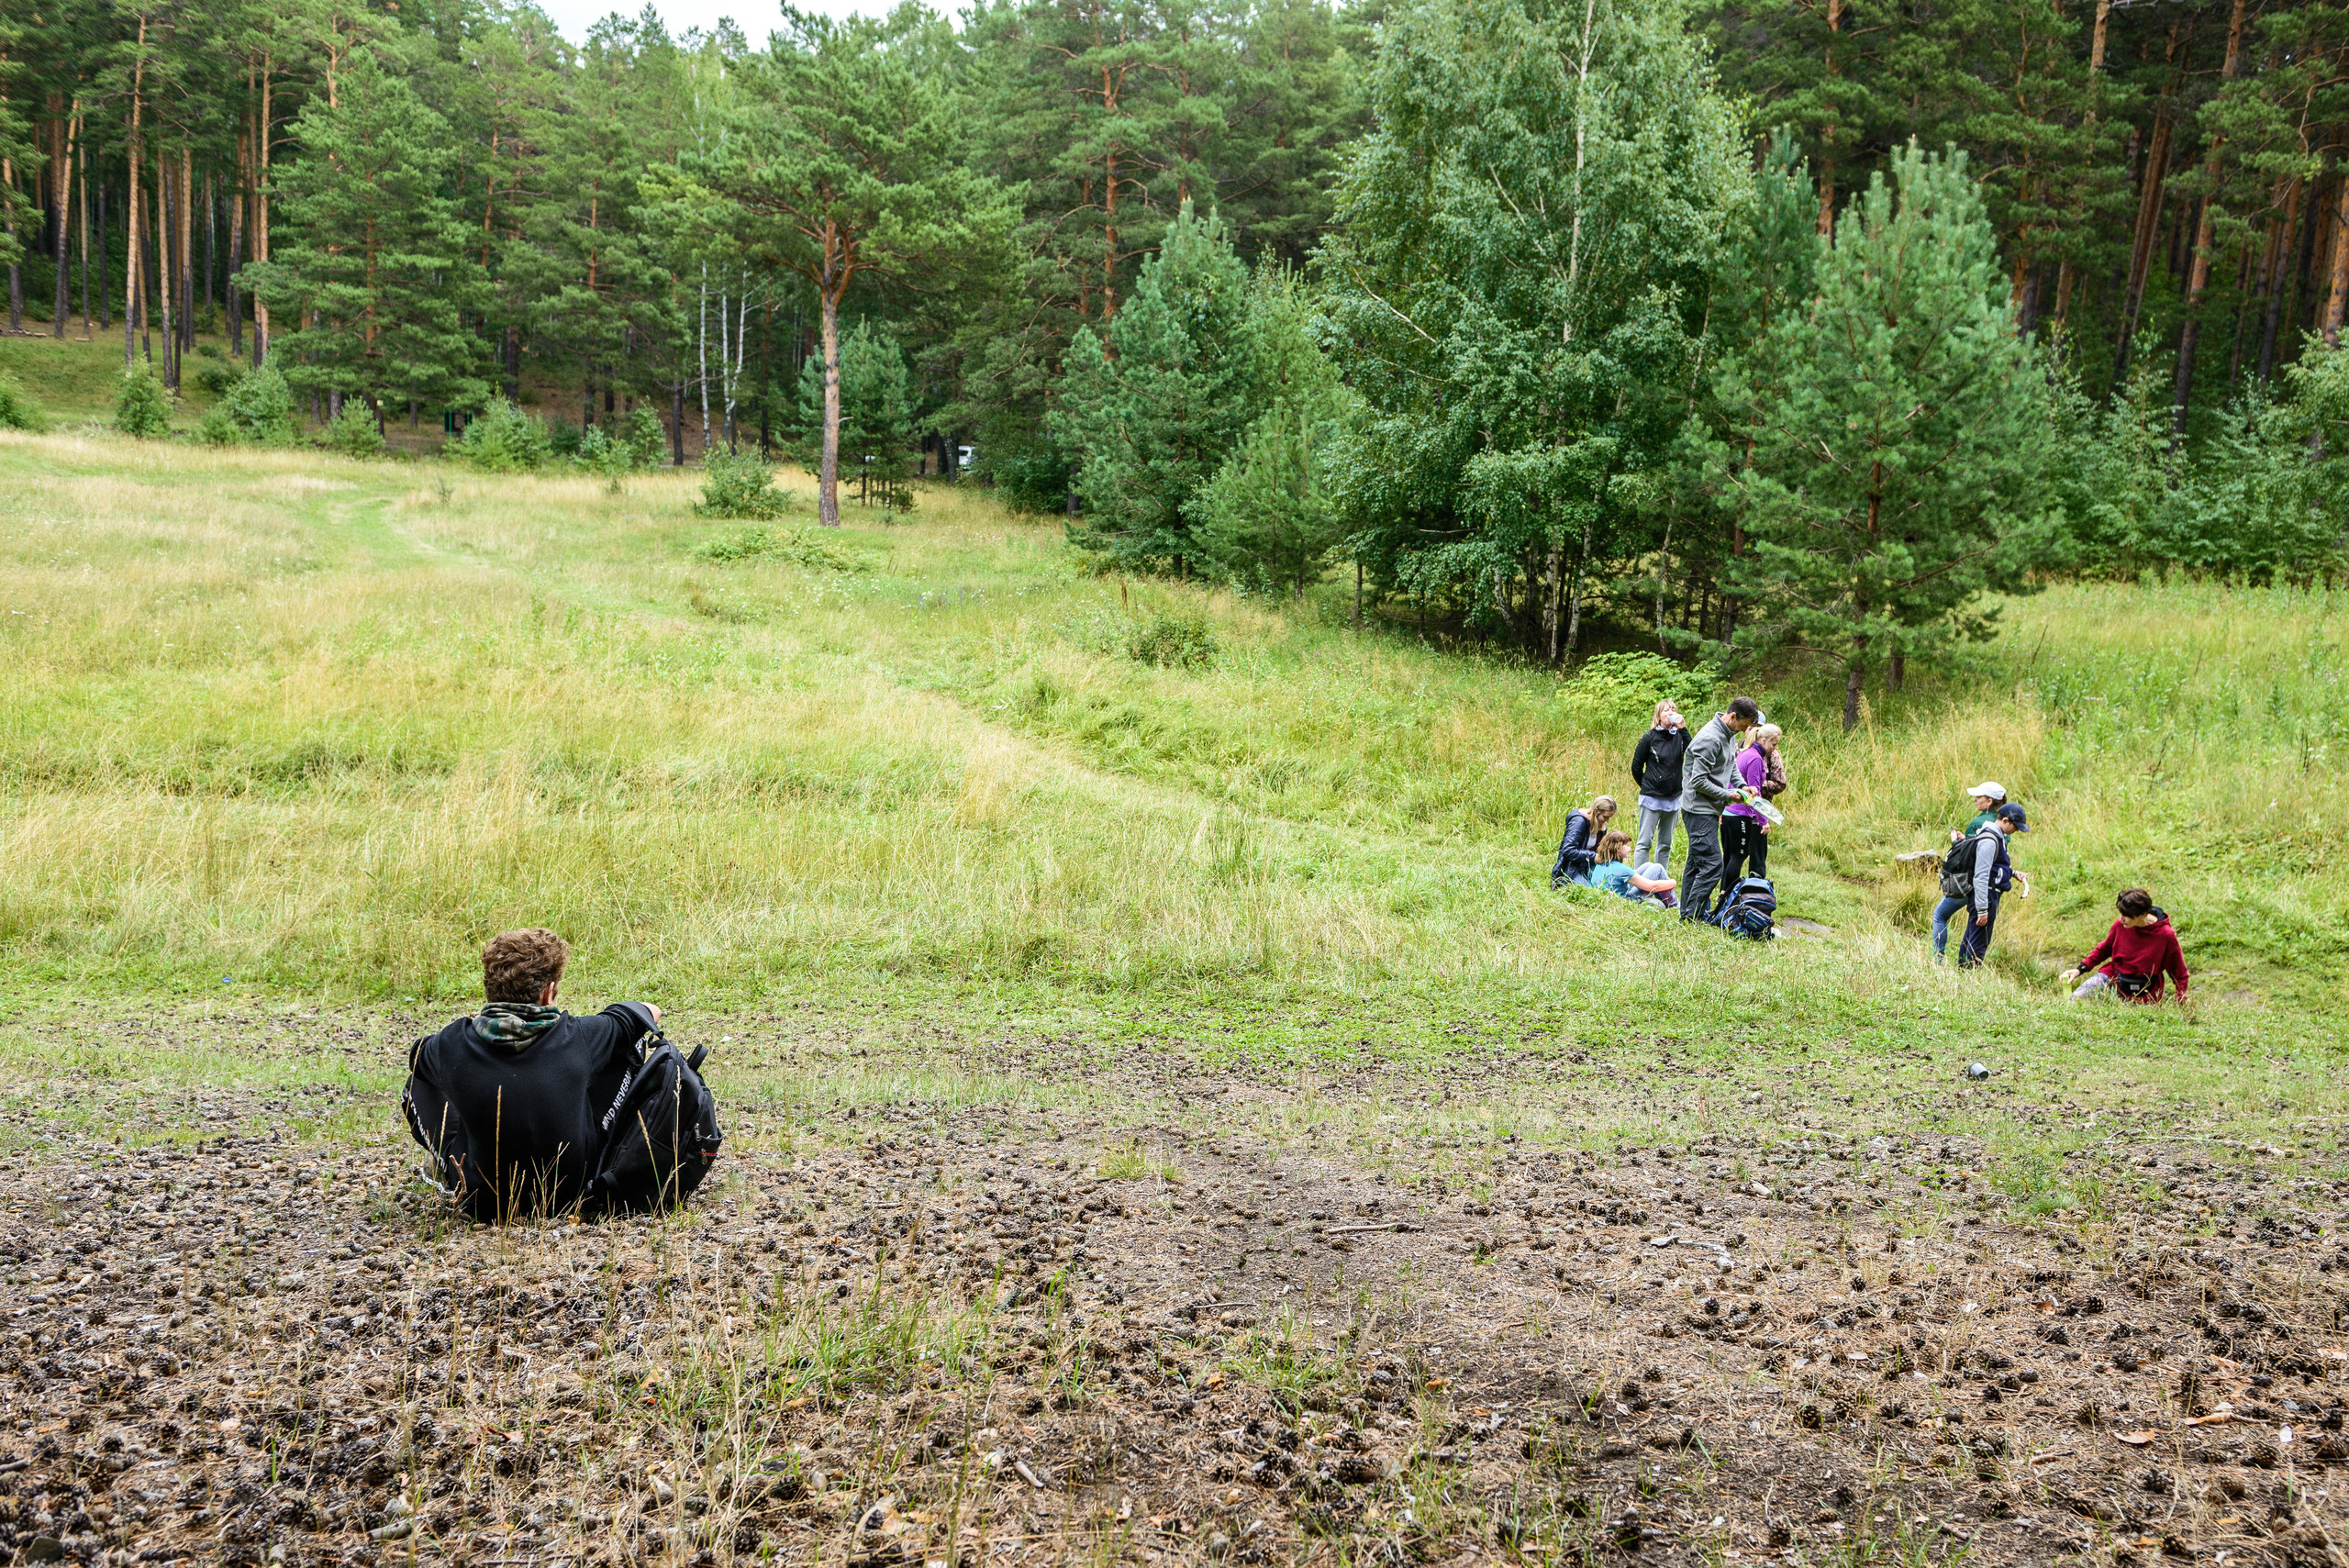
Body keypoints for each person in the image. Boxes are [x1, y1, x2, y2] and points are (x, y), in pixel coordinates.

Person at [403, 929, 667, 1219]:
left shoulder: (452, 1043)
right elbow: (649, 1012)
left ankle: (449, 1166)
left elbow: (417, 1055)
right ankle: (610, 1158)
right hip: (574, 1193)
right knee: (629, 1045)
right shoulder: (581, 1035)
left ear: (489, 989)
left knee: (419, 1076)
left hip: (482, 1201)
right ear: (547, 991)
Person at [1679, 696, 1764, 922]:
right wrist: (1729, 795)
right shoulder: (1711, 738)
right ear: (1733, 716)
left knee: (1696, 862)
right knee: (1712, 864)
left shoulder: (1727, 734)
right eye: (1744, 725)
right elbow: (1697, 781)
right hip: (1698, 809)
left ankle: (1687, 914)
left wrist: (1742, 785)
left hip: (1708, 808)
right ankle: (1693, 916)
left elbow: (1730, 765)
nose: (1745, 730)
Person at [2062, 890, 2189, 1005]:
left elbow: (2179, 971)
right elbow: (2105, 948)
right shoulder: (2120, 924)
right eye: (2121, 913)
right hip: (2114, 978)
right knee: (2075, 1001)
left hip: (2145, 993)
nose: (2121, 919)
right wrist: (2080, 969)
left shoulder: (2166, 935)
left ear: (2143, 915)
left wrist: (2181, 997)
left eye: (2127, 916)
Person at [1932, 784, 2008, 960]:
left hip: (1970, 883)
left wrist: (1956, 843)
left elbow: (1967, 857)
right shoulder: (2004, 824)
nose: (1975, 799)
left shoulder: (1978, 823)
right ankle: (1965, 966)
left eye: (1979, 797)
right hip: (1990, 887)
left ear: (1989, 801)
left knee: (1940, 914)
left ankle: (1938, 959)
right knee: (1973, 929)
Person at [1954, 803, 2027, 969]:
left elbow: (1994, 867)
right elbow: (1981, 875)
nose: (2016, 831)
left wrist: (2014, 874)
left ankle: (1962, 973)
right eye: (2015, 827)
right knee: (1979, 941)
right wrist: (1982, 909)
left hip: (1988, 894)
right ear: (2006, 820)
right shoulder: (1990, 840)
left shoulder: (1997, 836)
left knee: (1972, 936)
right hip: (1985, 896)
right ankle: (1969, 977)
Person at [1630, 701, 1690, 873]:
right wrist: (1648, 785)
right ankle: (1640, 880)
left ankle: (1659, 878)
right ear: (1659, 715)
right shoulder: (1649, 737)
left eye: (1673, 709)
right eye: (1666, 710)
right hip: (1651, 798)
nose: (1671, 712)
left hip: (1673, 798)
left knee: (1665, 843)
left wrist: (1683, 729)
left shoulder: (1679, 737)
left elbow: (1693, 751)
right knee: (1645, 842)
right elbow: (1636, 766)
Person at [1588, 828, 1677, 909]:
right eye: (1627, 845)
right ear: (1618, 848)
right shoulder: (1622, 869)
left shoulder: (1601, 864)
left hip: (1612, 897)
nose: (1630, 848)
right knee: (1658, 868)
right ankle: (1676, 907)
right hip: (1625, 902)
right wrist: (1672, 882)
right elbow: (1651, 886)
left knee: (1648, 865)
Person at [1549, 795, 1620, 888]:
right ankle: (1561, 882)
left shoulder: (1601, 825)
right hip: (1571, 869)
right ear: (1596, 811)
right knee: (1590, 891)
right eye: (1605, 817)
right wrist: (1593, 856)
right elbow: (1567, 850)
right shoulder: (1579, 821)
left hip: (1589, 866)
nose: (1607, 821)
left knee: (1609, 884)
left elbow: (1598, 851)